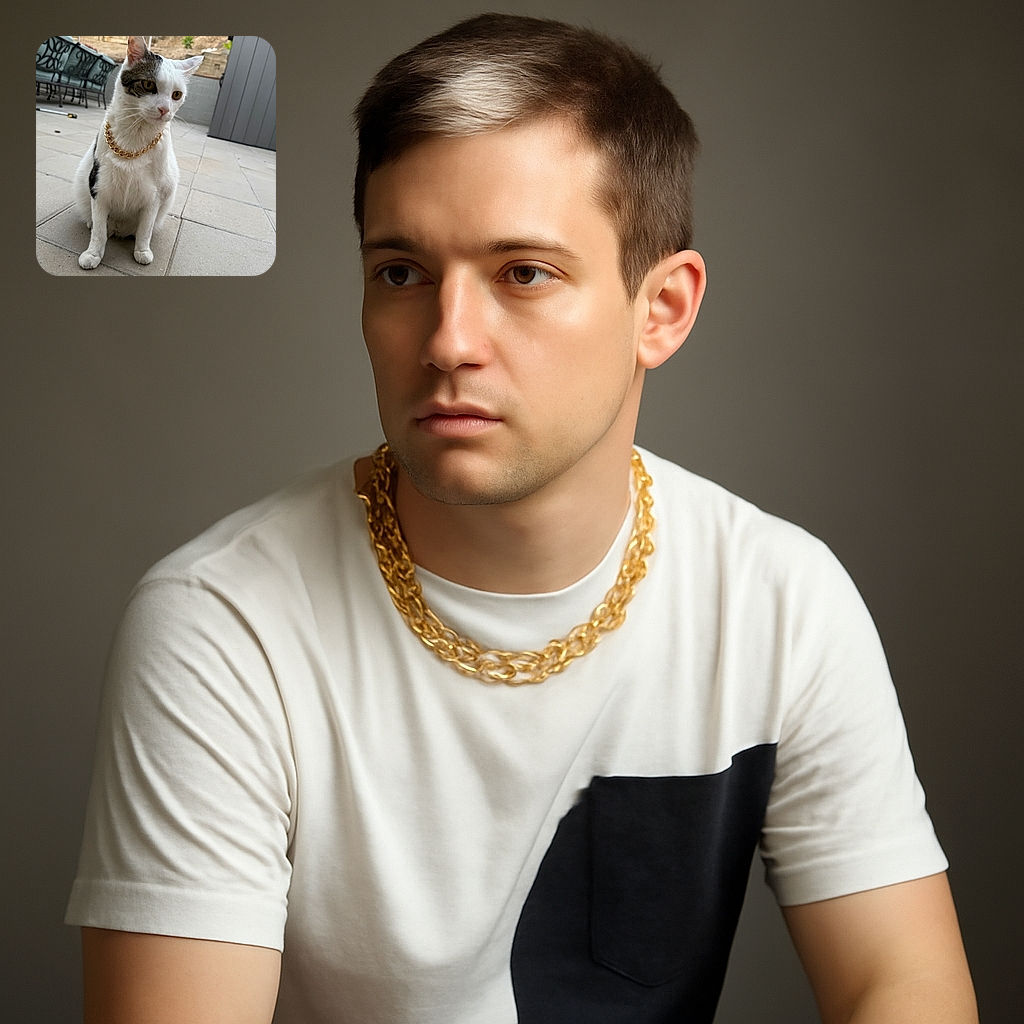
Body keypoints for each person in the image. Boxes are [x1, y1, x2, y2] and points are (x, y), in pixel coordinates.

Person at [66, 13, 978, 1024]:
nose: (449, 340)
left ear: (661, 309)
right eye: (401, 272)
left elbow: (900, 984)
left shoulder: (780, 598)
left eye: (523, 273)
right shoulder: (221, 622)